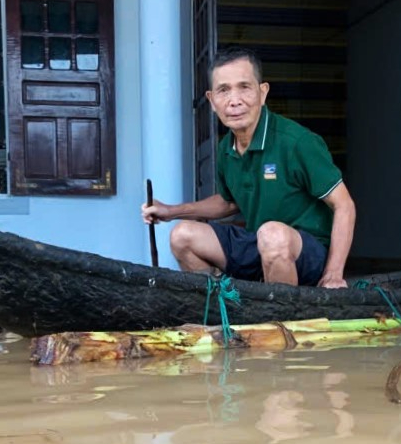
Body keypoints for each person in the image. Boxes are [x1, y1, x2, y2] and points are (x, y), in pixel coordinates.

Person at [142, 47, 355, 289]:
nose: (234, 101)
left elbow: (344, 205)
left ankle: (284, 318)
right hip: (259, 244)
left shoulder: (297, 142)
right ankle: (224, 306)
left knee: (272, 235)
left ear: (262, 93)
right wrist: (171, 211)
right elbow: (228, 202)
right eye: (224, 90)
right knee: (182, 236)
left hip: (306, 253)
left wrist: (334, 274)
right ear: (212, 101)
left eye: (244, 87)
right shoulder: (226, 148)